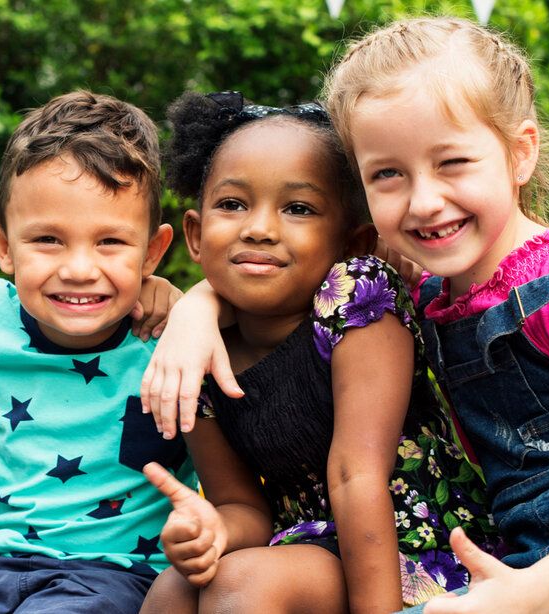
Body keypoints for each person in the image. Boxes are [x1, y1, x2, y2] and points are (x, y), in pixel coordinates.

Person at [137, 91, 498, 613]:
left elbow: (357, 474)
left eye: (298, 208)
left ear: (352, 241)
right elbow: (244, 507)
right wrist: (210, 532)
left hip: (412, 549)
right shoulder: (192, 357)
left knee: (244, 584)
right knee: (173, 587)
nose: (258, 228)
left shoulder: (358, 295)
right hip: (303, 547)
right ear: (195, 234)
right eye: (233, 204)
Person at [322, 16, 549, 614]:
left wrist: (530, 599)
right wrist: (194, 308)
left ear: (519, 154)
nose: (423, 201)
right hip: (514, 573)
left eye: (453, 163)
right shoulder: (427, 293)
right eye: (387, 174)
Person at [0, 90, 195, 613]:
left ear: (153, 251)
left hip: (116, 576)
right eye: (48, 240)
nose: (79, 268)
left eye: (110, 242)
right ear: (4, 247)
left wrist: (198, 305)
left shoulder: (173, 341)